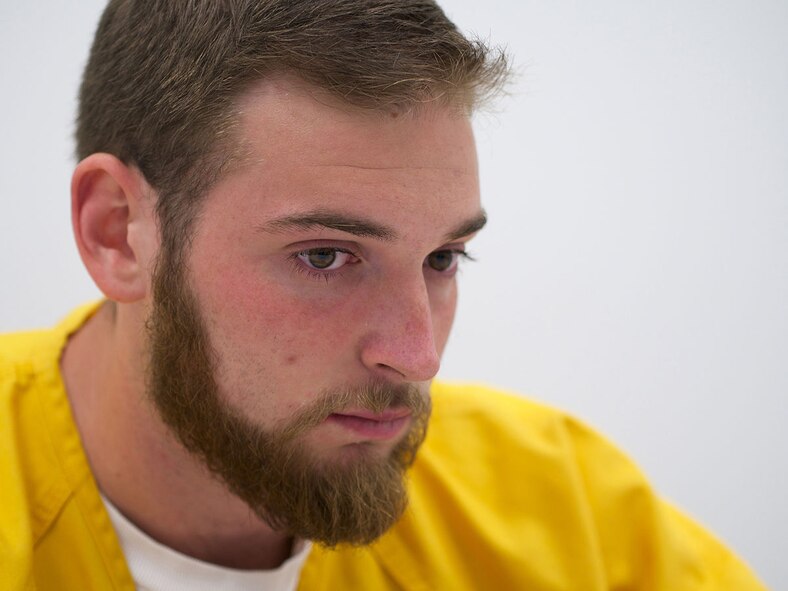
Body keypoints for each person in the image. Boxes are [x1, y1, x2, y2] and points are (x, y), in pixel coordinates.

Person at [0, 1, 767, 589]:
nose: (418, 355)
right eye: (326, 256)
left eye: (443, 256)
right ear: (117, 231)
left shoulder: (562, 513)